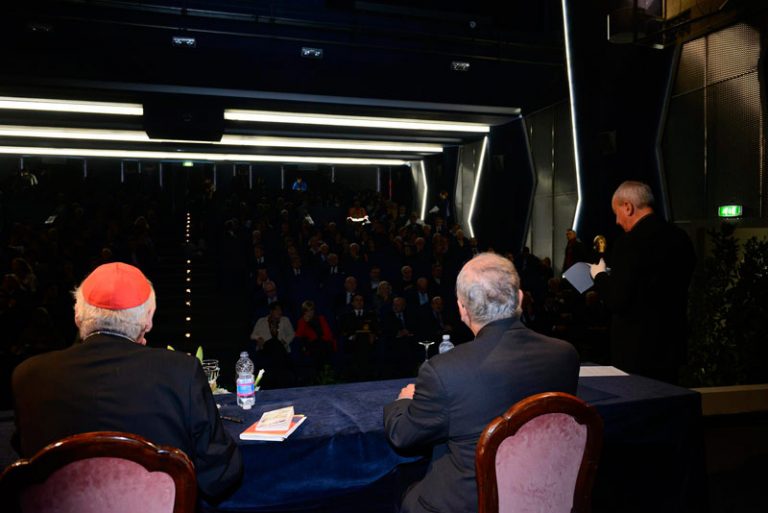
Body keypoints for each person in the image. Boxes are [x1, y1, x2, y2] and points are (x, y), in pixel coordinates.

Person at [11, 262, 243, 500]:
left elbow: (28, 465)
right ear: (148, 320)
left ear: (77, 316)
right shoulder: (180, 373)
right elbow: (218, 476)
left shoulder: (27, 376)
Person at [384, 253, 580, 513]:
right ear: (520, 297)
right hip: (547, 494)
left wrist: (403, 401)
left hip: (470, 503)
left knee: (401, 489)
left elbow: (403, 436)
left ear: (462, 309)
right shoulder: (565, 355)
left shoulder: (443, 370)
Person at [590, 180, 695, 384]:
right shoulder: (681, 238)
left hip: (636, 352)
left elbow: (617, 300)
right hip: (672, 346)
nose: (617, 221)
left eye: (616, 213)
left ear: (628, 207)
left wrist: (600, 276)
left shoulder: (628, 243)